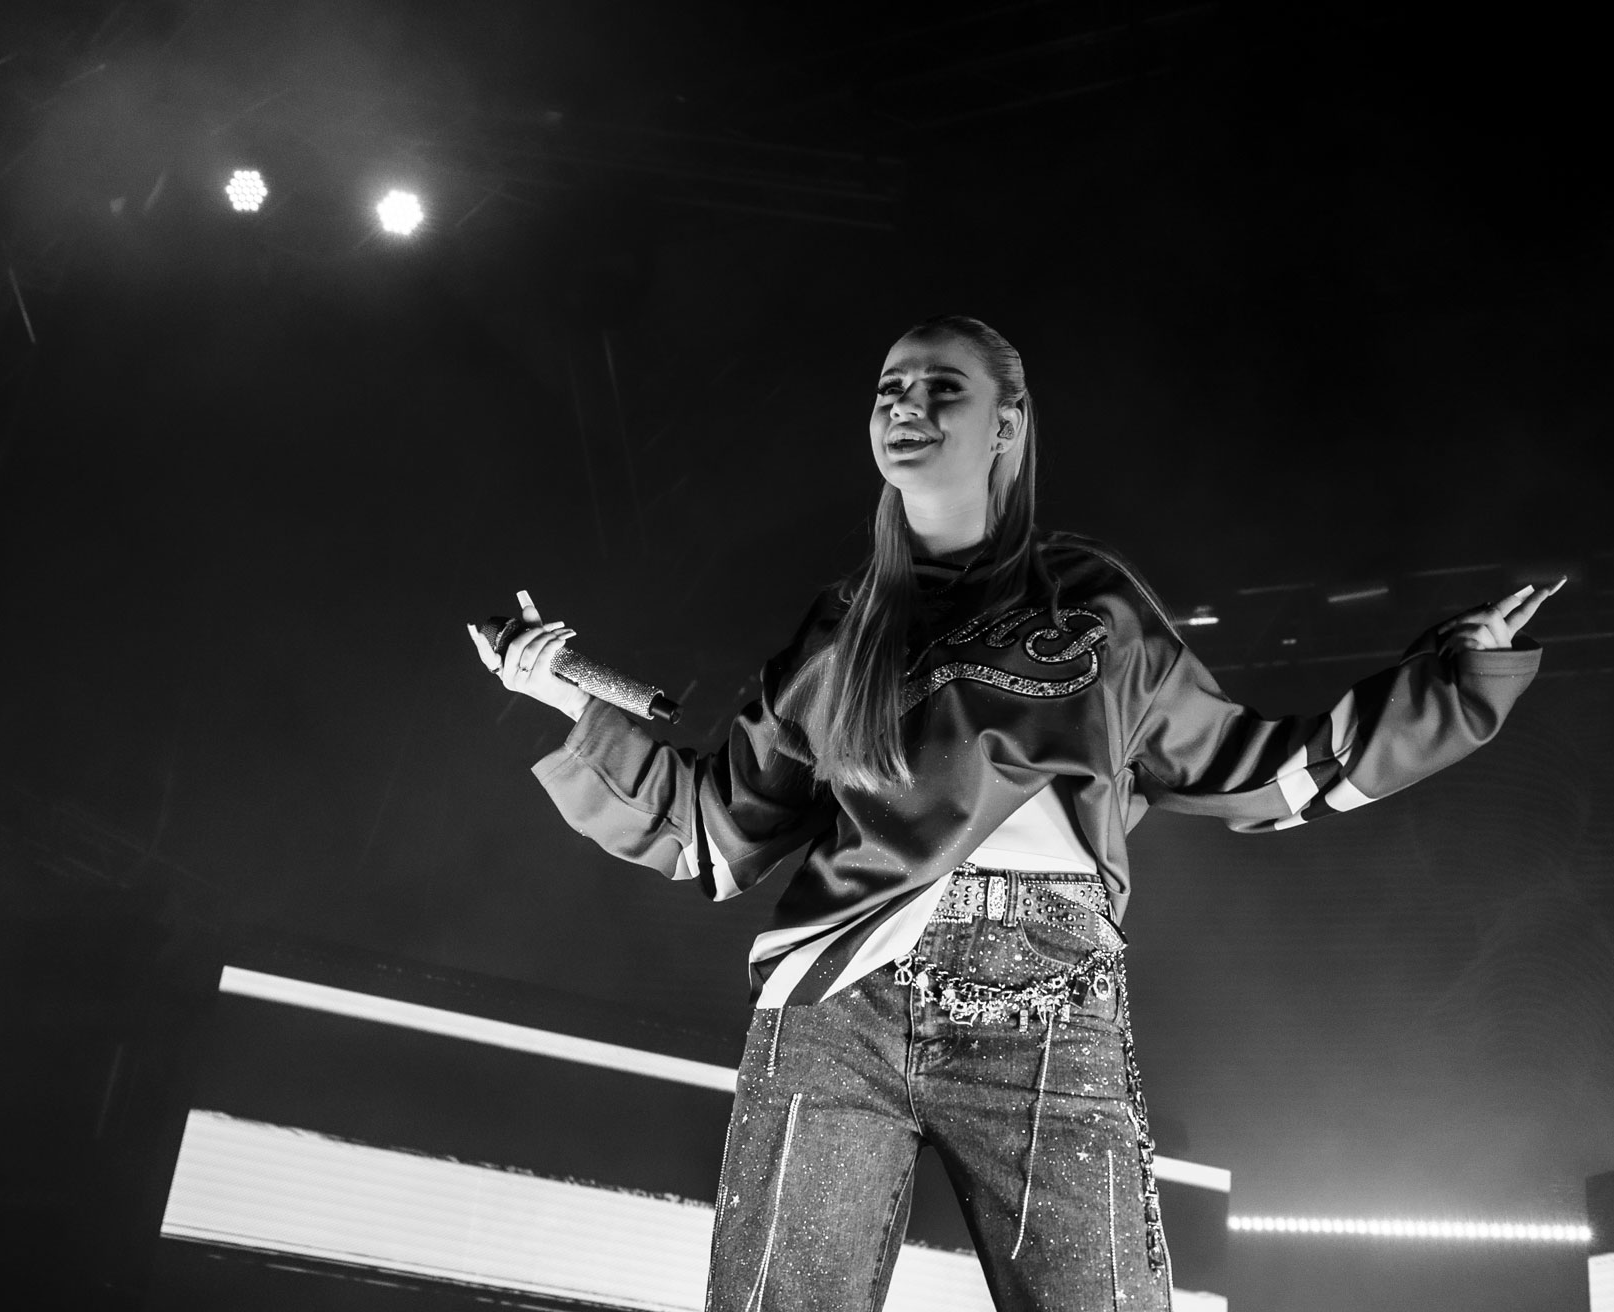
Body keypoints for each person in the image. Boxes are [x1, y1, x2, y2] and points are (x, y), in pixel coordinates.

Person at [468, 315, 1556, 1312]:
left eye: (942, 387)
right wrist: (564, 697)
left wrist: (1457, 682)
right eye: (890, 389)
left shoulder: (1092, 600)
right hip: (835, 1007)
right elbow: (718, 829)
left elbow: (1258, 768)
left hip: (1050, 1000)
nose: (906, 405)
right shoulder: (840, 629)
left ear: (1008, 423)